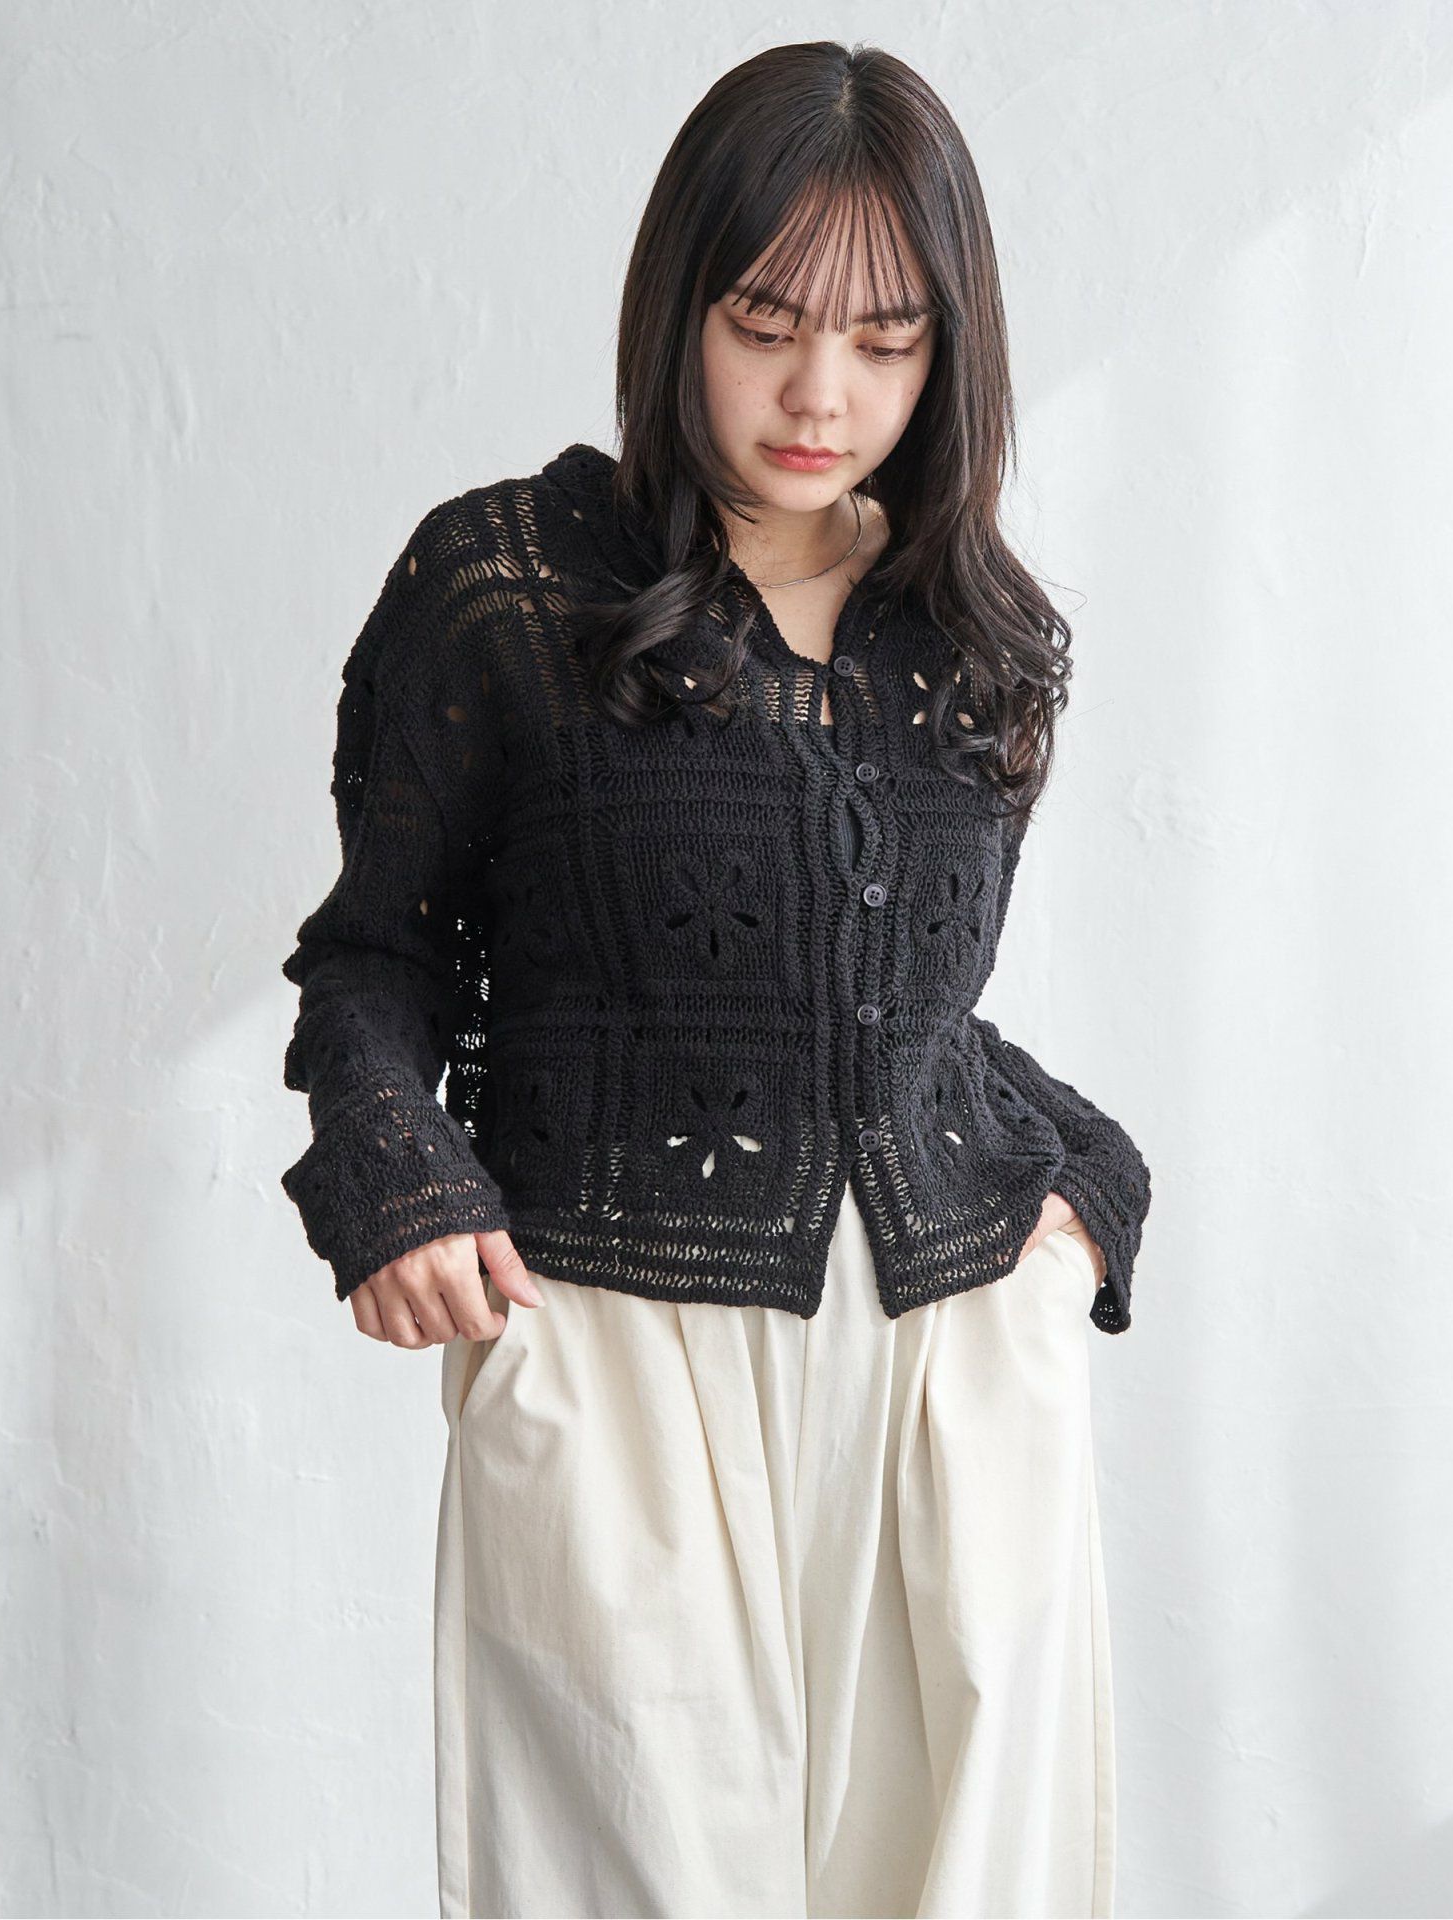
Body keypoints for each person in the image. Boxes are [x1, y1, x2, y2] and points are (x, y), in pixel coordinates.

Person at [279, 39, 1152, 1920]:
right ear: (680, 300)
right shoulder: (509, 585)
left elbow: (897, 1022)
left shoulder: (981, 643)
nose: (822, 392)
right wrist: (399, 1184)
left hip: (946, 1364)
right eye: (767, 324)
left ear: (949, 353)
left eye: (887, 341)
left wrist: (1083, 1195)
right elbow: (375, 960)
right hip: (614, 1348)